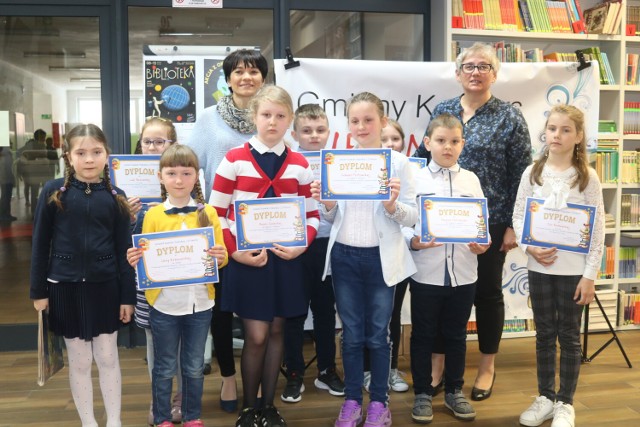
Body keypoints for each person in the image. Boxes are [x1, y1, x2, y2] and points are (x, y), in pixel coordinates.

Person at [413, 42, 532, 400]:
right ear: (458, 73)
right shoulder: (444, 109)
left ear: (494, 74)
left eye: (484, 66)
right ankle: (436, 366)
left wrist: (513, 224)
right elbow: (422, 159)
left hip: (490, 221)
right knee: (441, 293)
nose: (476, 72)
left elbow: (521, 175)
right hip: (440, 220)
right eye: (469, 66)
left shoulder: (509, 117)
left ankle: (486, 367)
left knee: (487, 293)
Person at [210, 85, 320, 427]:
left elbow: (312, 215)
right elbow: (216, 212)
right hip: (248, 260)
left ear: (290, 120)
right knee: (255, 336)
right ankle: (249, 406)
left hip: (286, 259)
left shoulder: (300, 164)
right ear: (254, 117)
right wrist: (236, 252)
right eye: (266, 115)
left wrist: (303, 244)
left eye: (280, 116)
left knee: (276, 334)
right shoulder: (233, 159)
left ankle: (269, 407)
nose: (273, 122)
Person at [311, 91, 418, 427]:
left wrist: (391, 206)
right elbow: (331, 218)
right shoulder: (338, 162)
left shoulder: (399, 163)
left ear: (382, 122)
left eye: (368, 119)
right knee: (352, 334)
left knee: (378, 335)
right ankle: (353, 401)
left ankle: (380, 405)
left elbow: (412, 216)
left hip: (380, 259)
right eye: (354, 120)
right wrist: (325, 202)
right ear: (348, 124)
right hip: (343, 256)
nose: (361, 126)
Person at [29, 124, 136, 427]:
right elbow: (40, 244)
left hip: (105, 287)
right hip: (63, 287)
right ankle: (88, 422)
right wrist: (38, 292)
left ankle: (114, 421)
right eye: (81, 153)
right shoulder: (53, 192)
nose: (89, 159)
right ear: (68, 157)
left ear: (107, 155)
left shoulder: (117, 196)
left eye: (96, 152)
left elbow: (124, 251)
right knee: (79, 361)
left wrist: (127, 296)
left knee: (107, 357)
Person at [186, 48, 268, 412]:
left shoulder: (270, 116)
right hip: (220, 227)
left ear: (263, 78)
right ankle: (228, 378)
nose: (246, 77)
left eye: (253, 71)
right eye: (239, 71)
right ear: (228, 77)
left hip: (264, 227)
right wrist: (204, 216)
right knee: (220, 309)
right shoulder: (208, 119)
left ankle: (261, 378)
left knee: (261, 309)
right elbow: (192, 167)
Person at [513, 105, 604, 427]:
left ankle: (565, 402)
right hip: (539, 268)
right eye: (553, 128)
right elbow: (519, 217)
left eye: (566, 130)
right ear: (545, 132)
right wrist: (530, 248)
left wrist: (589, 275)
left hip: (573, 271)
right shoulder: (532, 172)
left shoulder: (587, 177)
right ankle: (545, 398)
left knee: (568, 336)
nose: (557, 135)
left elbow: (597, 229)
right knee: (543, 334)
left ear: (579, 137)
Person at [127, 144, 228, 427]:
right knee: (164, 366)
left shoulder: (208, 212)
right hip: (164, 303)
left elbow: (220, 257)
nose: (179, 180)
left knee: (194, 367)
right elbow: (145, 257)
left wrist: (221, 256)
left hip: (200, 303)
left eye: (186, 173)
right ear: (160, 177)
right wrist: (136, 257)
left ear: (196, 176)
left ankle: (192, 416)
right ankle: (161, 418)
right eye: (172, 173)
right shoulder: (153, 215)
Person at [406, 113, 490, 424]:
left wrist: (484, 242)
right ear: (427, 143)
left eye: (454, 141)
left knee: (456, 334)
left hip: (464, 273)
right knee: (424, 334)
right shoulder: (416, 179)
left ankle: (455, 390)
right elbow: (405, 221)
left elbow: (480, 224)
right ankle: (423, 393)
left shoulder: (471, 179)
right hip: (426, 272)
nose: (447, 147)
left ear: (462, 145)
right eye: (440, 140)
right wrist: (414, 242)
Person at [281, 104, 345, 404]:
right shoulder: (287, 161)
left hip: (326, 244)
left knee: (324, 311)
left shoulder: (338, 163)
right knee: (294, 312)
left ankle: (326, 370)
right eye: (306, 131)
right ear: (294, 134)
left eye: (320, 130)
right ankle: (294, 373)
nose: (314, 136)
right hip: (295, 245)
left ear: (329, 132)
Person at [127, 117, 180, 426]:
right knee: (153, 343)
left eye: (161, 142)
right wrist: (127, 214)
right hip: (149, 280)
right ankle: (159, 399)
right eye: (148, 141)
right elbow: (123, 238)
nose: (153, 147)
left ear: (172, 144)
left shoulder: (183, 177)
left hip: (184, 279)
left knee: (186, 346)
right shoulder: (126, 185)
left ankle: (180, 399)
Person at [363, 118, 410, 394]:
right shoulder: (363, 167)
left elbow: (414, 211)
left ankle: (391, 370)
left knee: (392, 315)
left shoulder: (407, 169)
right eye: (384, 140)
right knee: (369, 317)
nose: (390, 145)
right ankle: (369, 371)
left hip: (396, 252)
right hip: (367, 251)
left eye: (395, 138)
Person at [0, 147, 16, 221]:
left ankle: (7, 214)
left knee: (7, 198)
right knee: (5, 198)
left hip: (7, 179)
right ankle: (3, 215)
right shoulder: (4, 154)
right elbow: (6, 169)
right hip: (5, 180)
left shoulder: (7, 153)